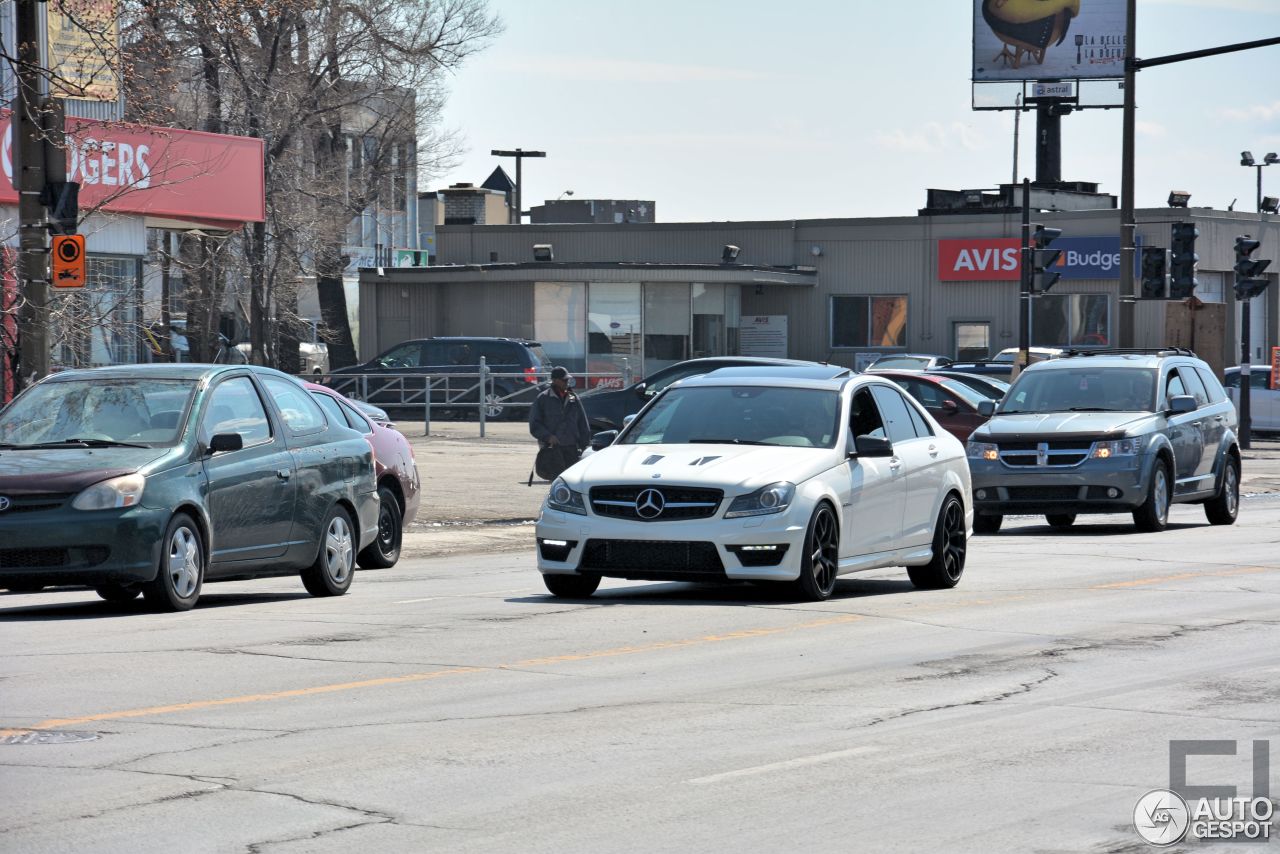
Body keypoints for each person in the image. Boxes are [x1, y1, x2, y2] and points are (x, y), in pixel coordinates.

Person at [529, 366, 590, 480]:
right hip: (552, 448)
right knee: (557, 480)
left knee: (572, 479)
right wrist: (548, 437)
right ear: (555, 380)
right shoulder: (543, 398)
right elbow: (535, 424)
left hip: (572, 447)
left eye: (568, 380)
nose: (567, 382)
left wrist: (584, 443)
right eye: (564, 380)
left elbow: (582, 421)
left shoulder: (572, 397)